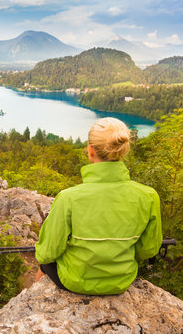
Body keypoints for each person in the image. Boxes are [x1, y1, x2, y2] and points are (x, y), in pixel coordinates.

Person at [35, 117, 162, 295]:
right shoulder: (148, 196)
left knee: (45, 264)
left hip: (75, 281)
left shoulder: (68, 198)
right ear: (122, 150)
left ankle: (37, 302)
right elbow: (147, 250)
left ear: (90, 150)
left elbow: (47, 253)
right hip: (121, 280)